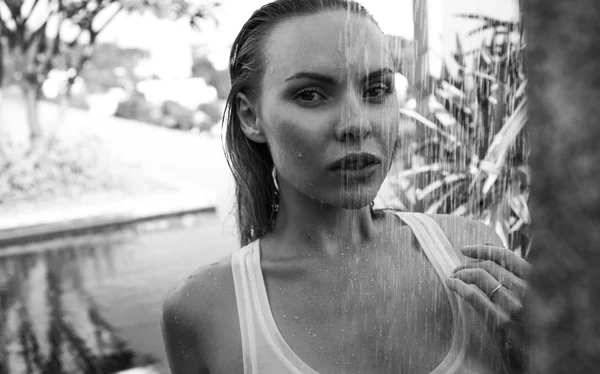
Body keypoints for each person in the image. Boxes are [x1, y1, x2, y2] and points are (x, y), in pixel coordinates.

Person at [161, 1, 529, 373]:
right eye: (310, 94)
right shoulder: (205, 309)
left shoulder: (470, 254)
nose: (356, 124)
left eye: (376, 89)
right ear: (250, 116)